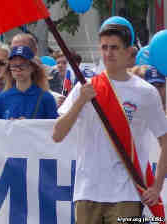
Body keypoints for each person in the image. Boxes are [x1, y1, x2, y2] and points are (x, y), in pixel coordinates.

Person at [53, 23, 167, 222]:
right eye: (104, 47)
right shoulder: (85, 88)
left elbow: (165, 141)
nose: (108, 53)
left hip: (127, 193)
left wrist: (157, 186)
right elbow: (57, 134)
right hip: (87, 190)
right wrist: (80, 101)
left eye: (114, 47)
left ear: (128, 51)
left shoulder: (146, 92)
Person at [0, 46, 58, 119]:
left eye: (22, 65)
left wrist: (28, 126)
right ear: (9, 69)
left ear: (32, 67)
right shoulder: (1, 99)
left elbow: (53, 127)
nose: (18, 69)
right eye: (14, 65)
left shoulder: (46, 98)